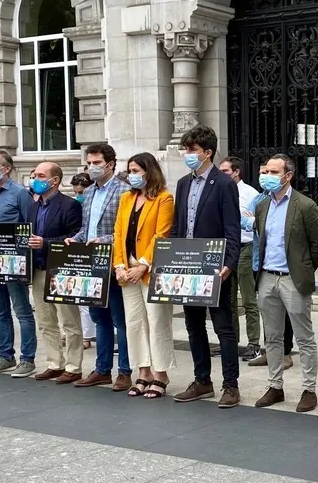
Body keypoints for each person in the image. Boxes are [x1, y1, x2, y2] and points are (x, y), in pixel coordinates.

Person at [169, 126, 242, 407]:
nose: (188, 155)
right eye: (186, 150)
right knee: (193, 325)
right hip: (187, 265)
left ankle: (230, 385)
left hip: (214, 265)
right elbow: (178, 225)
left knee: (223, 328)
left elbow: (232, 228)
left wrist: (229, 264)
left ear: (207, 152)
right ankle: (202, 381)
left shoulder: (223, 184)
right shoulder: (183, 183)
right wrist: (172, 259)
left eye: (192, 151)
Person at [251, 154, 318, 413]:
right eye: (266, 171)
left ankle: (309, 389)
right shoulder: (262, 206)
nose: (266, 176)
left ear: (287, 175)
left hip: (292, 279)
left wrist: (304, 270)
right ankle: (275, 386)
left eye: (273, 172)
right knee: (272, 336)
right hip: (267, 277)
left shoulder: (305, 206)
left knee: (304, 337)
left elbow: (317, 246)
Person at [112, 152, 176, 398]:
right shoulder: (126, 198)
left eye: (136, 170)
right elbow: (118, 232)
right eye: (129, 170)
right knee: (134, 323)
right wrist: (119, 264)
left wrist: (143, 265)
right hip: (126, 269)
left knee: (157, 321)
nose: (132, 175)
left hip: (150, 268)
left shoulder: (164, 198)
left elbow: (162, 234)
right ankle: (144, 372)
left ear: (149, 171)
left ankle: (161, 374)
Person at [69, 144, 132, 390]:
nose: (92, 167)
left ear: (111, 164)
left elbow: (126, 232)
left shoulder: (124, 191)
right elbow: (87, 227)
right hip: (92, 262)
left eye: (97, 163)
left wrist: (104, 240)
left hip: (115, 262)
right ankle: (102, 369)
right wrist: (75, 239)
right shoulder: (90, 193)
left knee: (120, 319)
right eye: (89, 163)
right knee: (99, 318)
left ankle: (125, 371)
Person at [0, 149, 38, 377]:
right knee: (0, 311)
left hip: (14, 260)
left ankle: (27, 358)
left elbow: (28, 224)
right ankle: (6, 356)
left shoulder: (19, 193)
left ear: (7, 168)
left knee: (22, 310)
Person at [27, 161, 85, 383]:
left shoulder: (69, 205)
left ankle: (73, 366)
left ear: (54, 181)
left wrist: (46, 242)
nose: (35, 179)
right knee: (45, 321)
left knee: (69, 321)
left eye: (40, 175)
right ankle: (54, 363)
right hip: (38, 269)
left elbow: (74, 237)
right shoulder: (33, 206)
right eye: (34, 175)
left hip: (60, 269)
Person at [221, 156, 263, 361]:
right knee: (227, 299)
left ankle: (254, 343)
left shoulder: (250, 194)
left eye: (226, 171)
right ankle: (230, 340)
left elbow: (257, 223)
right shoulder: (219, 190)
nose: (222, 175)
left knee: (248, 298)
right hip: (226, 248)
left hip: (245, 247)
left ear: (236, 172)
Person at [69, 172, 96, 348]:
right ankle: (80, 333)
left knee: (89, 298)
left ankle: (87, 336)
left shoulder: (92, 201)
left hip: (94, 246)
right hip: (79, 245)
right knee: (80, 295)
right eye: (76, 192)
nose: (79, 196)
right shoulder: (75, 204)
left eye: (81, 192)